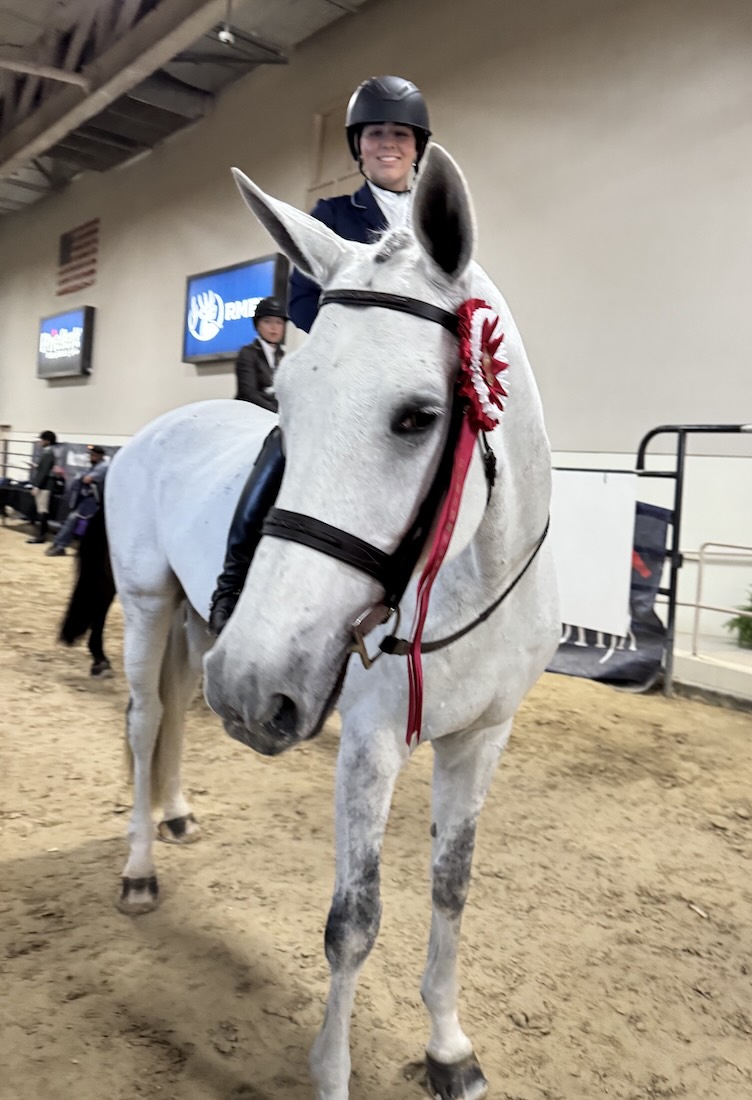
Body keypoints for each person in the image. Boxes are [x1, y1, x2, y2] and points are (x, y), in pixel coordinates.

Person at [208, 75, 431, 635]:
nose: (387, 143)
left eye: (400, 134)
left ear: (416, 147)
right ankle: (232, 581)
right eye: (375, 133)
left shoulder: (435, 220)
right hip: (346, 371)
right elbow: (302, 301)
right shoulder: (331, 214)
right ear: (359, 145)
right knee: (281, 447)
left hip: (419, 377)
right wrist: (357, 336)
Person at [45, 445, 108, 557]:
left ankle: (60, 545)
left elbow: (87, 479)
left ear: (99, 455)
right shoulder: (94, 466)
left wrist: (81, 477)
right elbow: (81, 476)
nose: (90, 457)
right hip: (87, 500)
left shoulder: (103, 466)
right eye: (90, 455)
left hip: (94, 501)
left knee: (72, 520)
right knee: (76, 522)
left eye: (92, 455)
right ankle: (59, 545)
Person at [234, 297, 288, 411]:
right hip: (252, 413)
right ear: (257, 325)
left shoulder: (284, 356)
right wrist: (277, 412)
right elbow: (248, 393)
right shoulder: (248, 353)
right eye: (267, 321)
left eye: (279, 322)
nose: (274, 328)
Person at [26, 430, 58, 544]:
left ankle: (41, 536)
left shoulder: (48, 452)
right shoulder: (49, 451)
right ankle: (40, 535)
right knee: (42, 510)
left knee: (42, 510)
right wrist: (36, 466)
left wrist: (36, 486)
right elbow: (44, 468)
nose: (40, 442)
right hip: (45, 484)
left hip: (45, 485)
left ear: (47, 441)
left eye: (42, 440)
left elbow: (44, 472)